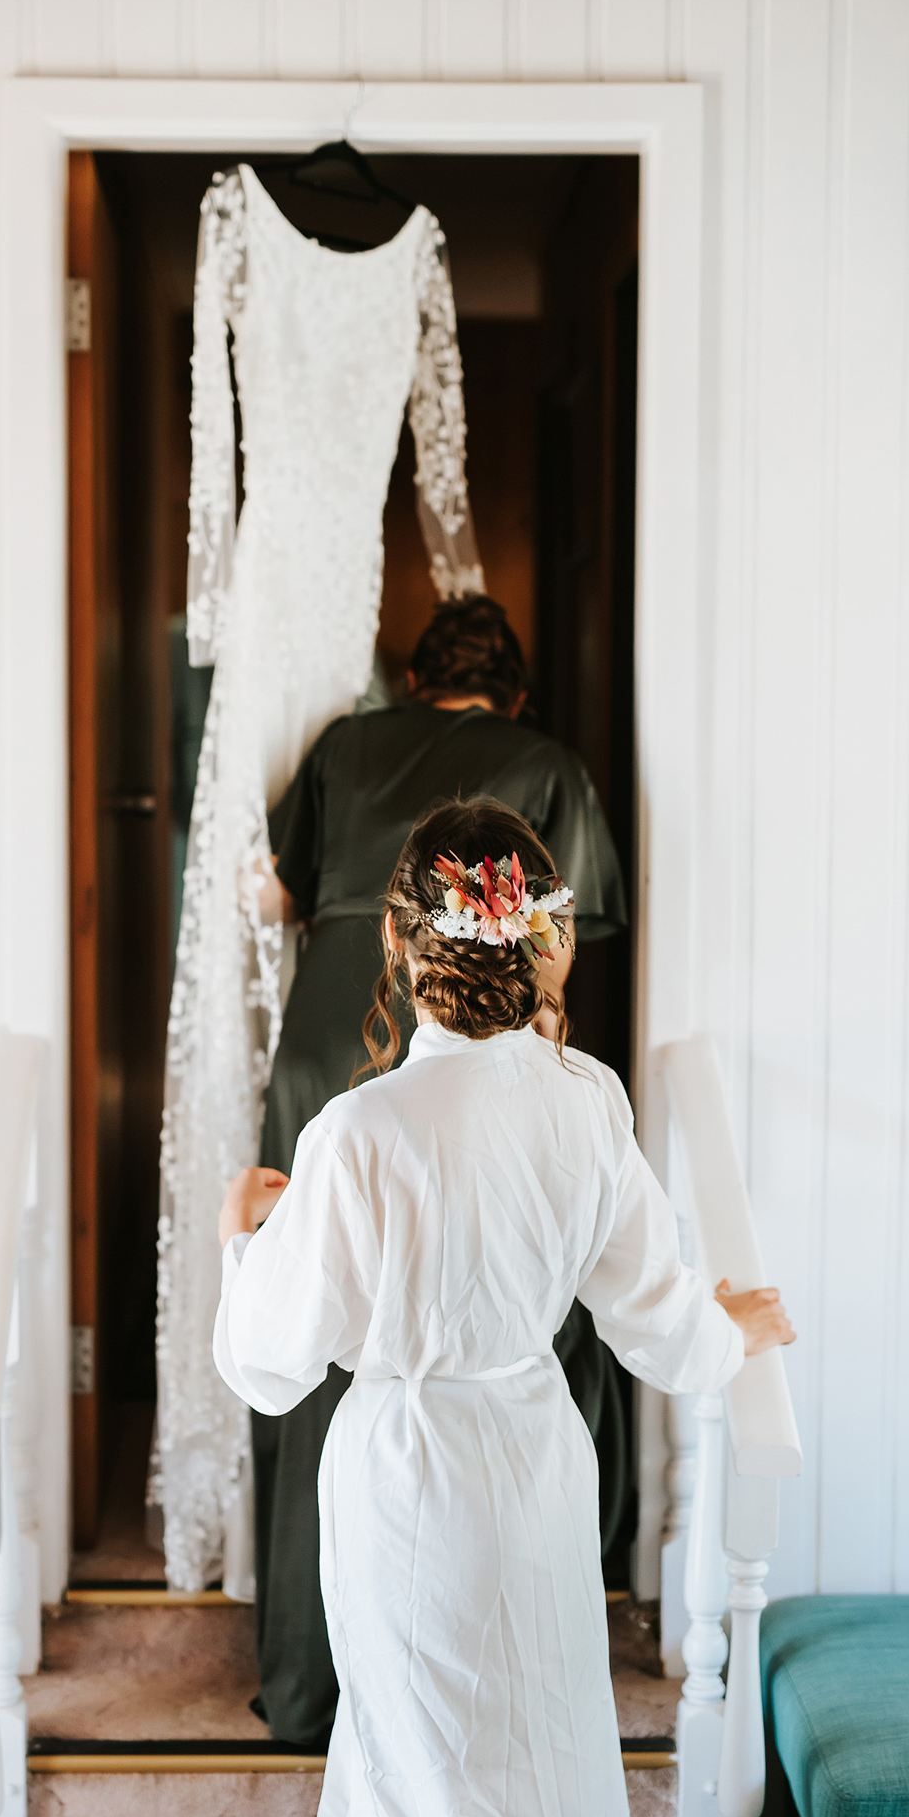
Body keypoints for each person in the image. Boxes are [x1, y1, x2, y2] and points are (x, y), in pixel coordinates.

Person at [214, 797, 794, 1817]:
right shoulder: (584, 1102)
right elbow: (655, 1316)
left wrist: (244, 1236)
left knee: (431, 1793)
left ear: (399, 944)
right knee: (539, 1783)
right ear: (548, 943)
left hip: (404, 1479)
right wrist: (725, 1331)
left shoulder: (356, 1131)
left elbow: (268, 1360)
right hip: (531, 1465)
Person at [250, 596, 629, 1750]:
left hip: (325, 1037)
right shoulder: (546, 763)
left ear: (416, 681)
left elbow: (276, 893)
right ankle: (491, 1646)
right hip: (465, 1043)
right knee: (496, 1315)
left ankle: (306, 1678)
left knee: (308, 1322)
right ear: (512, 691)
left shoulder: (341, 748)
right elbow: (571, 945)